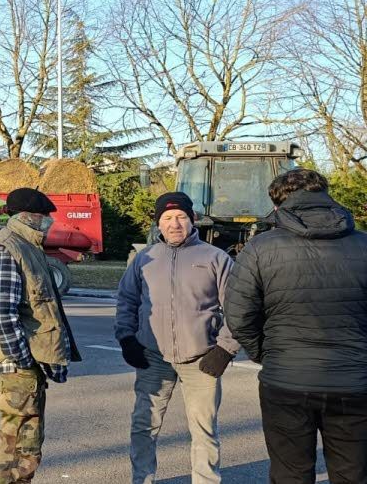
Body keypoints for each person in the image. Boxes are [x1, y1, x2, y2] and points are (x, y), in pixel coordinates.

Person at [225, 169, 367, 483]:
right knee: (353, 474)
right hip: (355, 382)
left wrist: (266, 353)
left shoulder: (260, 248)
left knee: (290, 474)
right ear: (326, 197)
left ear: (277, 206)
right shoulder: (363, 245)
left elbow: (239, 315)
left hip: (286, 381)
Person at [115, 192, 239, 484]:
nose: (174, 224)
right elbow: (127, 301)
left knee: (204, 429)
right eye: (167, 218)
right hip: (153, 357)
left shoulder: (215, 258)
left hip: (202, 359)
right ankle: (142, 479)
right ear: (158, 223)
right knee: (144, 426)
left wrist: (225, 349)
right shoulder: (144, 258)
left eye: (181, 217)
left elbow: (238, 308)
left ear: (192, 219)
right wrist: (127, 338)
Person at [0, 187, 81, 484]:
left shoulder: (27, 246)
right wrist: (23, 360)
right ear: (26, 216)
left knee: (27, 443)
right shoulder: (7, 249)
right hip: (19, 366)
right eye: (44, 215)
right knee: (20, 446)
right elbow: (0, 314)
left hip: (28, 362)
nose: (49, 221)